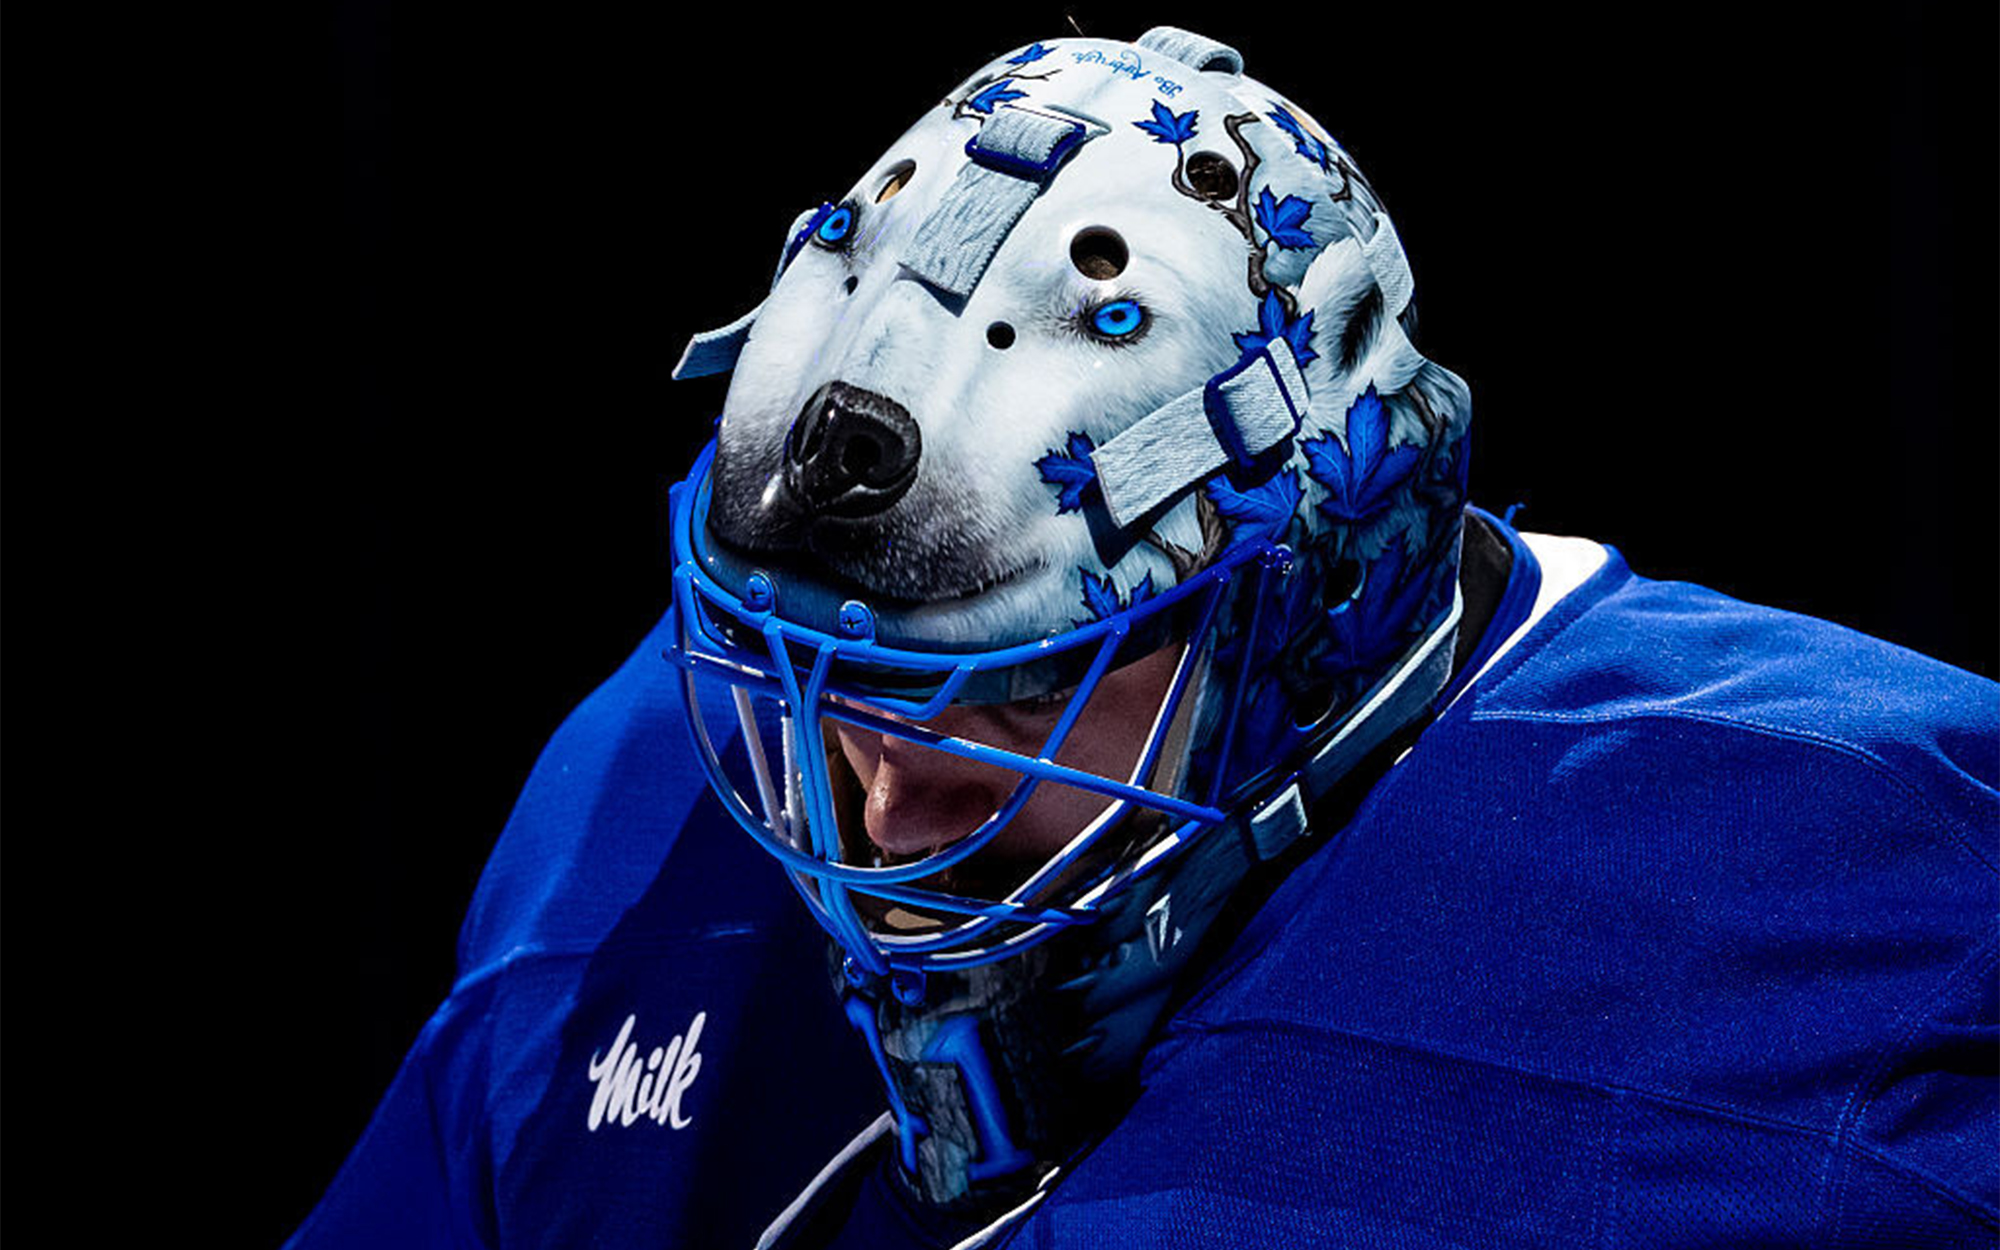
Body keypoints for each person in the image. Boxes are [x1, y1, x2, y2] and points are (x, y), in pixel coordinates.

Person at [289, 25, 1998, 1249]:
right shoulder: (643, 808)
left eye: (1005, 691)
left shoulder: (1861, 871)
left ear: (1308, 612)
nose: (872, 813)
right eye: (817, 686)